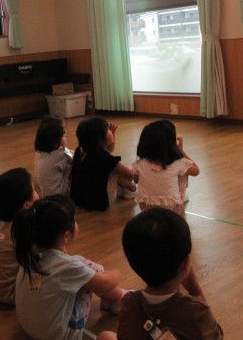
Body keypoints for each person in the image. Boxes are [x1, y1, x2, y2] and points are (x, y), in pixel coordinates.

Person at [97, 208, 223, 340]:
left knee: (105, 336)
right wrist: (194, 288)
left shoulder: (129, 303)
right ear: (186, 264)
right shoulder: (194, 310)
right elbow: (216, 336)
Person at [13, 194, 125, 340]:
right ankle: (118, 299)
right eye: (74, 219)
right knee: (88, 268)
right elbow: (106, 283)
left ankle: (114, 300)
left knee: (81, 270)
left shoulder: (30, 252)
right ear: (66, 236)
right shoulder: (66, 266)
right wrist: (116, 273)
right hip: (58, 336)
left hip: (31, 328)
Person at [0, 168, 39, 305]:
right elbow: (40, 255)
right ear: (26, 205)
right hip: (12, 294)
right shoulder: (21, 229)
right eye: (33, 189)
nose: (36, 192)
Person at [133, 119, 200, 214]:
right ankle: (180, 197)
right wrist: (181, 152)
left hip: (145, 208)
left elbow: (136, 180)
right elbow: (196, 171)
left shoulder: (139, 163)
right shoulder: (178, 163)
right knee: (184, 173)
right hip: (172, 208)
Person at [70, 117, 136, 211]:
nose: (110, 131)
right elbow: (130, 175)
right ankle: (131, 189)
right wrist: (137, 171)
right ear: (100, 139)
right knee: (117, 170)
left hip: (79, 199)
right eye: (108, 130)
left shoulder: (80, 151)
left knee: (110, 166)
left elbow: (109, 151)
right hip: (99, 202)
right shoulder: (104, 158)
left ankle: (121, 188)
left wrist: (112, 136)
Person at [34, 115, 73, 197]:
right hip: (61, 196)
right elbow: (75, 158)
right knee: (73, 167)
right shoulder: (61, 154)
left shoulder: (40, 152)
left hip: (46, 194)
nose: (65, 132)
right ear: (55, 140)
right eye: (63, 134)